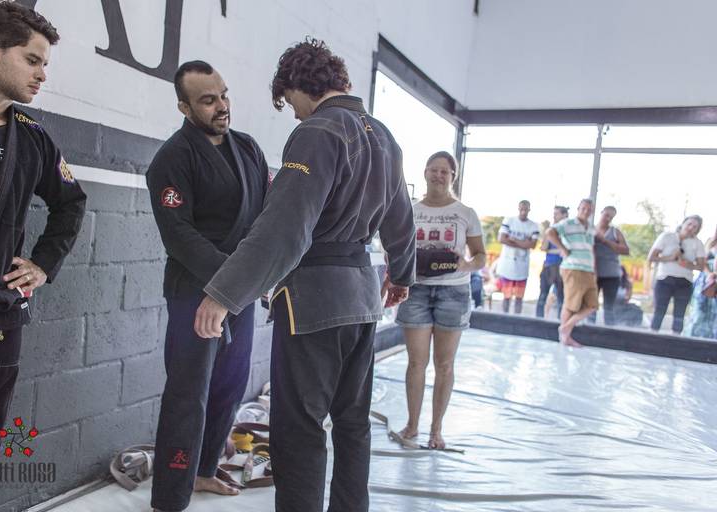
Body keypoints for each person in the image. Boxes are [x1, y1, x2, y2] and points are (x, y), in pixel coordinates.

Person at [192, 39, 415, 512]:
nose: (292, 112)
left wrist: (224, 294)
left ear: (299, 85)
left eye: (289, 100)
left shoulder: (317, 131)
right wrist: (401, 273)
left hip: (314, 300)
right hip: (362, 298)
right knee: (352, 423)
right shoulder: (384, 135)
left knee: (299, 428)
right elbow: (402, 218)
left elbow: (284, 229)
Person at [0, 4, 87, 511]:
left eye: (44, 63)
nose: (42, 74)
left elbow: (71, 202)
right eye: (32, 60)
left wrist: (43, 265)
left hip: (4, 315)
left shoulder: (31, 134)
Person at [146, 61, 269, 511]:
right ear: (184, 107)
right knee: (188, 392)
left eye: (224, 95)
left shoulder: (248, 148)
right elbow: (178, 234)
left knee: (231, 382)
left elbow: (267, 214)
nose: (222, 106)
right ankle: (171, 493)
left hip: (240, 290)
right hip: (194, 290)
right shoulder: (172, 158)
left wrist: (257, 275)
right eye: (208, 100)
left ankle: (203, 468)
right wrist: (231, 276)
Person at [394, 151, 486, 449]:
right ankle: (412, 425)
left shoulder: (465, 213)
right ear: (424, 173)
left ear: (452, 177)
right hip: (417, 290)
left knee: (444, 364)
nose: (438, 175)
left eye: (444, 171)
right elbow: (396, 248)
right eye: (433, 170)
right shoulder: (410, 210)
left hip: (453, 292)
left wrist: (466, 265)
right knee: (416, 363)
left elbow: (481, 256)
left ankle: (436, 430)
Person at [545, 198, 598, 347]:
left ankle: (566, 327)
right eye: (583, 208)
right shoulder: (568, 223)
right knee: (570, 304)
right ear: (578, 209)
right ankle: (565, 337)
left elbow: (591, 249)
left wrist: (594, 269)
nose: (586, 211)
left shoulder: (591, 228)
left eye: (589, 209)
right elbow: (550, 232)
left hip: (588, 269)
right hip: (573, 267)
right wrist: (562, 248)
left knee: (592, 305)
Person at [648, 215, 705, 334]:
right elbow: (651, 257)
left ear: (698, 230)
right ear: (683, 223)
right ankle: (651, 338)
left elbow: (700, 266)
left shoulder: (698, 243)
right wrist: (670, 258)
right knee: (659, 311)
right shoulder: (667, 236)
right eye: (689, 224)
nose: (691, 228)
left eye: (695, 226)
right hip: (664, 279)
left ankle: (676, 340)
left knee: (679, 315)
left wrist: (687, 264)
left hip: (684, 281)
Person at [497, 200, 540, 314]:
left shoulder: (533, 225)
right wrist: (524, 243)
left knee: (519, 298)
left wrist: (514, 240)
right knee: (506, 296)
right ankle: (504, 317)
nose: (523, 211)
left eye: (526, 209)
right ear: (518, 208)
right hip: (508, 264)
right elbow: (501, 239)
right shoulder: (509, 220)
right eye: (521, 209)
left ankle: (517, 318)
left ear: (529, 209)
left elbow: (532, 245)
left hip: (522, 265)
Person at [590, 206, 629, 325]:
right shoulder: (590, 229)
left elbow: (626, 250)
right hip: (593, 273)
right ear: (601, 213)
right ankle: (589, 329)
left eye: (611, 217)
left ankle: (609, 331)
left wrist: (604, 241)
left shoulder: (615, 232)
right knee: (591, 305)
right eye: (606, 215)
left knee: (609, 307)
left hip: (612, 275)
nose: (607, 219)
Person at [684, 229, 717, 339]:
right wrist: (710, 274)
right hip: (706, 281)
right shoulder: (710, 242)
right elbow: (703, 263)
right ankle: (693, 339)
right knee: (699, 310)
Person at [536, 206, 569, 318]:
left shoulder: (568, 230)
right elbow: (544, 247)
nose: (554, 216)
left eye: (557, 214)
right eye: (554, 214)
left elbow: (569, 250)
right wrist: (548, 233)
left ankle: (560, 321)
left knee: (561, 298)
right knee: (543, 296)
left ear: (564, 215)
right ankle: (538, 319)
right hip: (549, 265)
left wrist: (560, 249)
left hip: (562, 267)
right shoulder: (551, 230)